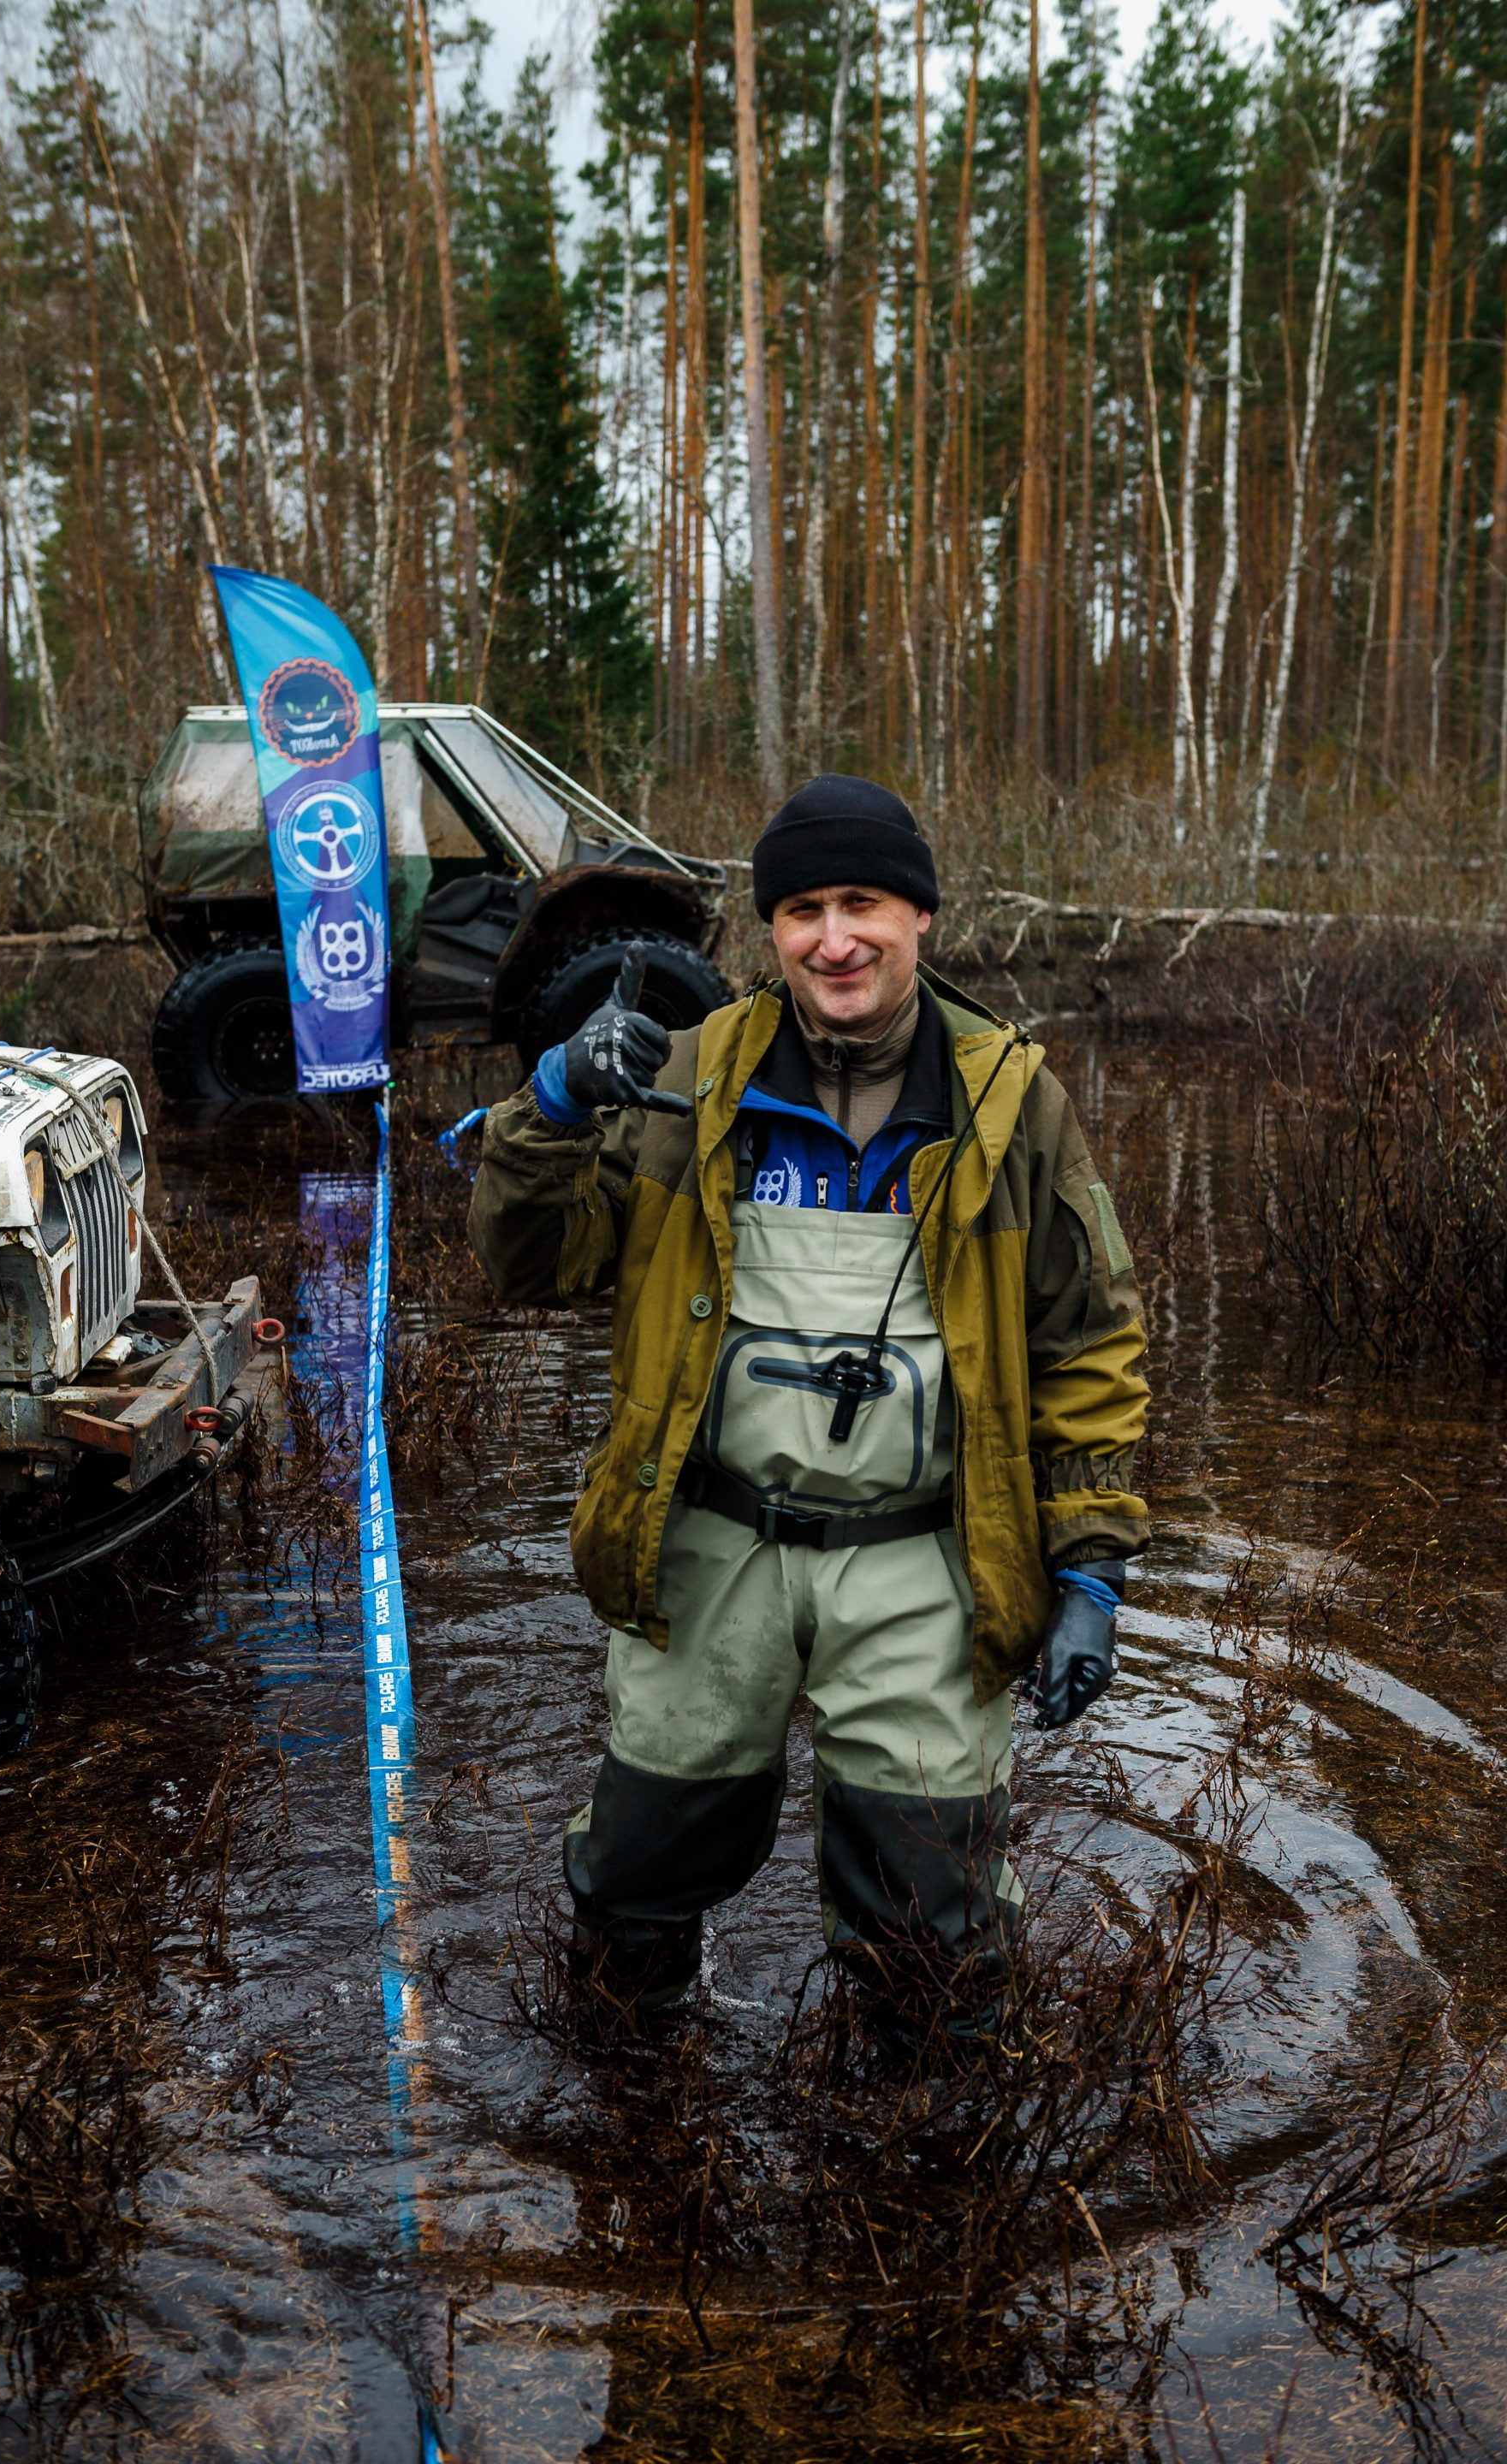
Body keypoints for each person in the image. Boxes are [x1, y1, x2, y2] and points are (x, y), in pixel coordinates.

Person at [469, 775, 1148, 2027]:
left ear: (921, 915)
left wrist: (1092, 1571)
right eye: (802, 912)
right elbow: (528, 1265)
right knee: (635, 1889)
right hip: (708, 1552)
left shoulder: (1014, 1105)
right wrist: (553, 1101)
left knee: (936, 1939)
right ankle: (631, 2105)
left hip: (923, 1565)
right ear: (770, 930)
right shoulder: (685, 1080)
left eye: (862, 904)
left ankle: (915, 2129)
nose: (835, 941)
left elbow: (1089, 1345)